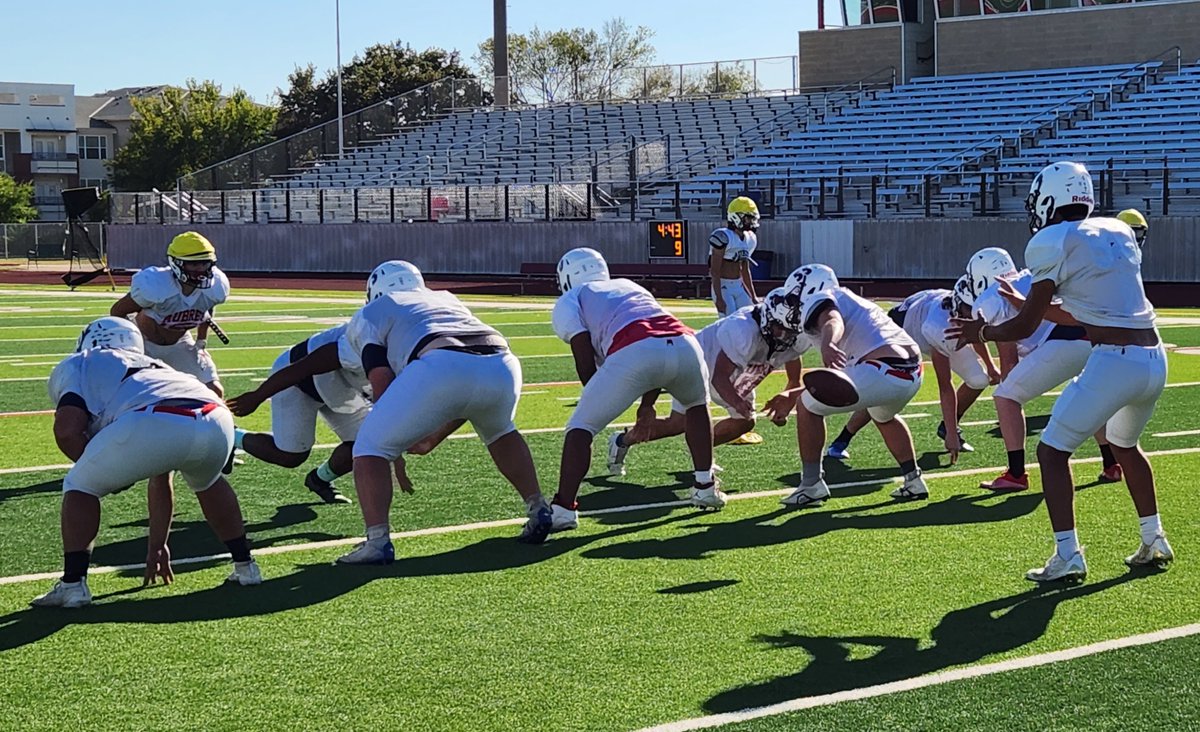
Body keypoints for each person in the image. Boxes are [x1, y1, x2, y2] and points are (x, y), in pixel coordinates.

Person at [949, 160, 1173, 582]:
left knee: (1052, 452)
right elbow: (1085, 316)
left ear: (1049, 199)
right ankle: (1153, 537)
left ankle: (1068, 554)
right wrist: (1022, 307)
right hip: (1153, 358)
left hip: (1115, 359)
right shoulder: (1118, 230)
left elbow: (1027, 325)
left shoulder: (1051, 240)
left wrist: (983, 328)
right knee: (1125, 446)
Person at [319, 265, 553, 564]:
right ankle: (538, 507)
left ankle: (377, 542)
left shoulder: (370, 313)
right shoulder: (446, 298)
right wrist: (434, 435)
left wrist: (391, 450)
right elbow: (466, 395)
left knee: (368, 447)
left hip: (442, 363)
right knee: (500, 431)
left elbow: (381, 377)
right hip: (502, 362)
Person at [31, 317, 261, 608]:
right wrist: (157, 543)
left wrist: (101, 471)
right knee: (209, 482)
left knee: (79, 485)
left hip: (155, 417)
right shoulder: (158, 367)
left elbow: (66, 430)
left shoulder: (83, 361)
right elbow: (161, 472)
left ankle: (73, 585)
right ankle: (246, 567)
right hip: (216, 417)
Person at [550, 247, 724, 531]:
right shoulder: (629, 285)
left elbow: (583, 347)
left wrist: (593, 396)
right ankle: (705, 486)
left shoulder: (571, 298)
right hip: (686, 344)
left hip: (637, 348)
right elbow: (659, 341)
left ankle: (563, 508)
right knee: (696, 406)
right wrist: (647, 406)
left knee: (581, 426)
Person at [225, 261, 425, 505]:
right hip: (301, 381)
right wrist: (258, 395)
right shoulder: (364, 333)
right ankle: (230, 435)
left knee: (366, 443)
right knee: (290, 456)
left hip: (343, 389)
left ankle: (319, 479)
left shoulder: (412, 333)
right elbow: (303, 367)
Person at [765, 265, 929, 507]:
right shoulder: (855, 302)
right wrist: (794, 392)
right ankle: (914, 481)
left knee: (808, 407)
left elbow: (832, 319)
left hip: (882, 367)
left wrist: (829, 344)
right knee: (882, 416)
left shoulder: (824, 298)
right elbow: (849, 376)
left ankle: (811, 485)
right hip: (911, 372)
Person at [965, 248, 1121, 490]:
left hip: (1064, 340)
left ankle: (1016, 474)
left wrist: (1012, 388)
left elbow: (1009, 362)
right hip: (1093, 336)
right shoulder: (1027, 276)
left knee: (1005, 396)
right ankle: (1112, 465)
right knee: (1086, 396)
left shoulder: (990, 299)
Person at [614, 288, 809, 469]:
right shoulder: (744, 330)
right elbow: (720, 377)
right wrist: (738, 402)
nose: (784, 335)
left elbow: (793, 367)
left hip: (738, 370)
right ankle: (623, 441)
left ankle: (699, 452)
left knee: (742, 422)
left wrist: (788, 394)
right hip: (702, 360)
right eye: (780, 328)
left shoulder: (794, 336)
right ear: (768, 318)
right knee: (680, 424)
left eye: (790, 331)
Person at [826, 276, 1000, 464]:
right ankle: (842, 440)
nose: (972, 315)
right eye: (968, 310)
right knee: (880, 391)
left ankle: (946, 426)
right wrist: (952, 434)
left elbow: (973, 334)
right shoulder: (938, 326)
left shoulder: (969, 308)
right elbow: (945, 385)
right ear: (958, 303)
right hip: (902, 330)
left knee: (979, 379)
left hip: (928, 311)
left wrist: (990, 366)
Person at [110, 231, 228, 397]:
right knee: (136, 394)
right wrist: (129, 346)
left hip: (179, 343)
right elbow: (117, 312)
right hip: (145, 344)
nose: (200, 269)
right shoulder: (158, 286)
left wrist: (201, 342)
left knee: (214, 391)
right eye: (193, 265)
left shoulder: (215, 288)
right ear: (177, 264)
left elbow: (206, 309)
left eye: (204, 263)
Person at [709, 197, 760, 317]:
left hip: (739, 285)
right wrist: (719, 297)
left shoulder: (750, 239)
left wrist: (753, 295)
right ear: (736, 217)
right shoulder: (723, 237)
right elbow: (714, 271)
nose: (751, 221)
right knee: (730, 322)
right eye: (748, 218)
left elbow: (745, 270)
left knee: (750, 318)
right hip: (724, 286)